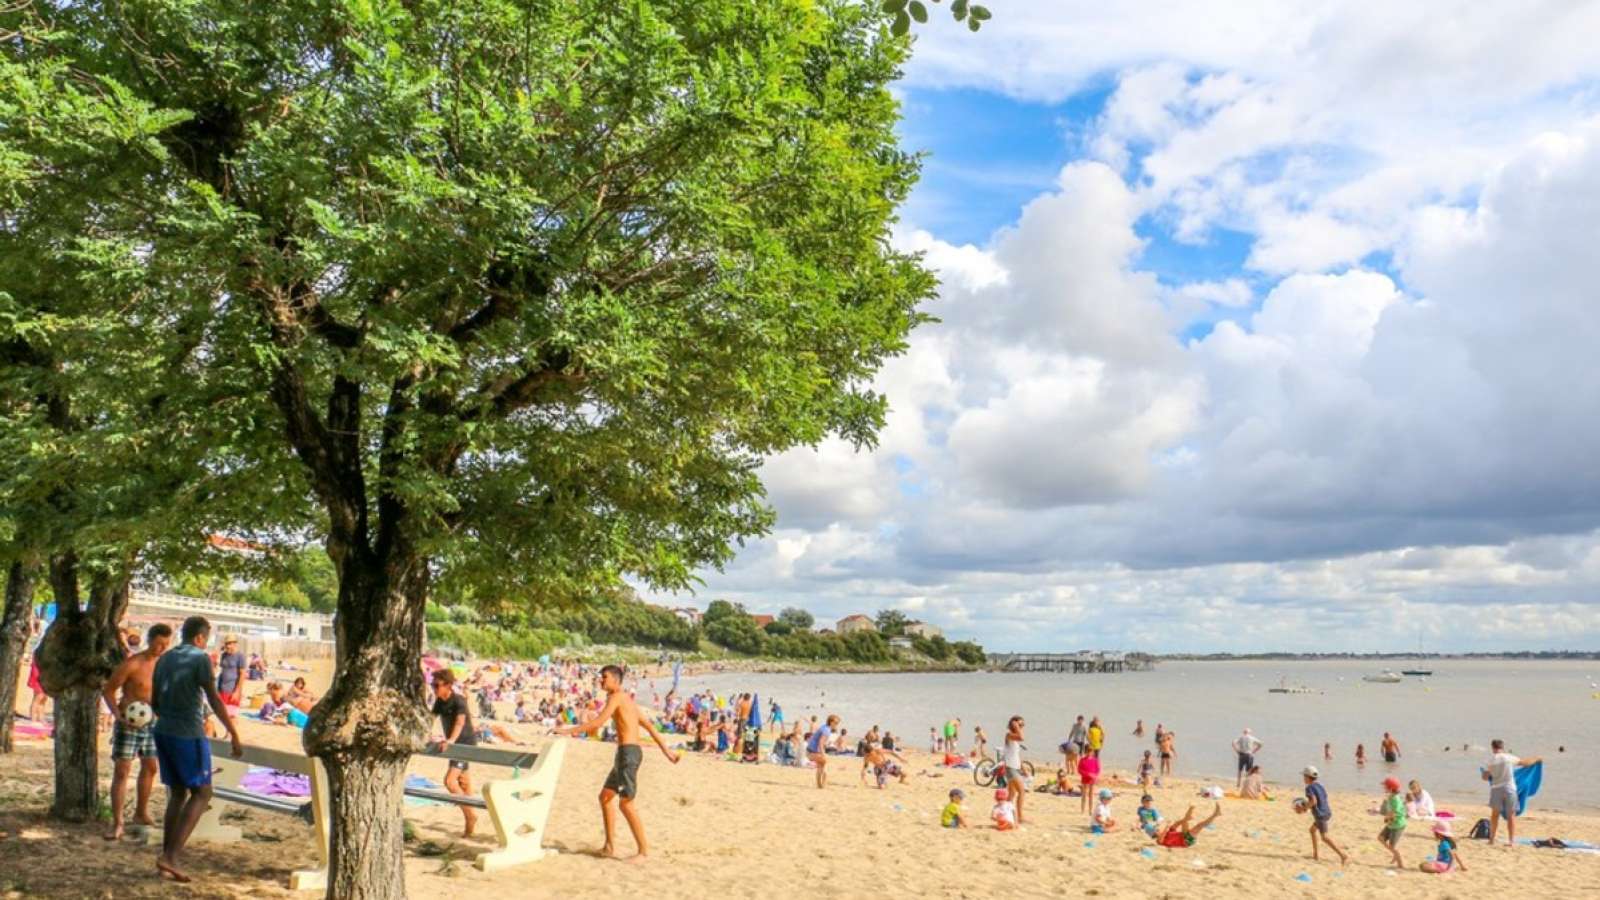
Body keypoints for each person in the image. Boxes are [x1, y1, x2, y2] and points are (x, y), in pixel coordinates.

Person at [554, 664, 681, 860]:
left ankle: (643, 852)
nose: (601, 680)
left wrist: (567, 731)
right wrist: (667, 752)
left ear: (615, 679)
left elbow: (598, 722)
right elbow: (649, 726)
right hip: (625, 754)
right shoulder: (626, 699)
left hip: (628, 754)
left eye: (604, 677)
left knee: (626, 804)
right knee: (605, 797)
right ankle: (609, 846)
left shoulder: (617, 697)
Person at [151, 616, 243, 883]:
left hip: (163, 730)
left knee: (178, 793)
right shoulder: (200, 659)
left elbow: (154, 700)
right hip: (188, 733)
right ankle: (171, 856)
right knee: (203, 792)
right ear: (200, 637)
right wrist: (233, 731)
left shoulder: (165, 658)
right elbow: (214, 699)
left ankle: (166, 858)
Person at [100, 623, 172, 841]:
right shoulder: (132, 664)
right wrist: (117, 714)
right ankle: (117, 822)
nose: (162, 648)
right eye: (158, 643)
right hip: (128, 722)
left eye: (166, 644)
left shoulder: (164, 665)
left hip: (153, 722)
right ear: (149, 640)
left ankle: (141, 812)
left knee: (150, 767)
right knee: (122, 770)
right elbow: (109, 690)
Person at [430, 669, 480, 837]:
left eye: (437, 685)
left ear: (448, 685)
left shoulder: (459, 700)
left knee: (450, 781)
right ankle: (470, 828)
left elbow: (460, 723)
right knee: (464, 783)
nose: (434, 688)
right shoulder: (439, 701)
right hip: (454, 744)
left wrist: (450, 740)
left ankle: (471, 815)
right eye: (432, 685)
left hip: (464, 744)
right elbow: (430, 719)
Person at [1483, 738, 1542, 847]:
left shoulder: (1490, 760)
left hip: (1496, 789)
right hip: (1509, 789)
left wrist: (1488, 774)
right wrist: (1537, 758)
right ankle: (1511, 841)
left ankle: (1491, 840)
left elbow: (1485, 777)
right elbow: (1525, 763)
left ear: (1492, 748)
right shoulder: (1508, 757)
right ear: (1502, 747)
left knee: (1494, 815)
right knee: (1511, 816)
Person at [1298, 765, 1348, 866]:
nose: (1303, 778)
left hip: (1320, 815)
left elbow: (1314, 801)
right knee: (1312, 830)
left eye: (1304, 776)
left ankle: (1342, 855)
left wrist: (1304, 808)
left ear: (1307, 777)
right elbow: (1323, 797)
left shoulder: (1309, 788)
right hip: (1327, 812)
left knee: (1324, 837)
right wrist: (1308, 805)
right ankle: (1315, 854)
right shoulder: (1320, 786)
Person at [1000, 715, 1029, 824]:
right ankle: (1020, 817)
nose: (1021, 727)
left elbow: (1016, 755)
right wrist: (1016, 726)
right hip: (1011, 768)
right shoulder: (1009, 735)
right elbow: (1022, 737)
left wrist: (1023, 769)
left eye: (1022, 725)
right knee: (1021, 791)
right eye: (1020, 724)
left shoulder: (1014, 739)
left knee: (1011, 794)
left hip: (1014, 767)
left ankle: (1005, 814)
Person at [1154, 802, 1223, 848]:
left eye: (1158, 830)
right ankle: (1192, 809)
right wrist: (1166, 827)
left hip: (1185, 836)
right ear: (1156, 834)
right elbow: (1161, 838)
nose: (1159, 830)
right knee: (1197, 825)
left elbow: (1177, 823)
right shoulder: (1159, 841)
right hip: (1186, 841)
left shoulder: (1169, 831)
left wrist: (1186, 819)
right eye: (1157, 830)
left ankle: (1215, 814)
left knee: (1199, 825)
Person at [1377, 776, 1407, 867]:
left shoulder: (1395, 799)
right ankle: (1395, 853)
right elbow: (1388, 811)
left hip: (1398, 825)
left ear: (1390, 788)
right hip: (1391, 823)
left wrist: (1388, 818)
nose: (1383, 788)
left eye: (1385, 786)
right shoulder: (1391, 796)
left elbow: (1395, 813)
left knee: (1392, 846)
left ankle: (1400, 863)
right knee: (1380, 838)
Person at [807, 714, 840, 788]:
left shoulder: (824, 726)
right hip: (812, 752)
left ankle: (820, 785)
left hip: (811, 751)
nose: (837, 725)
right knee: (825, 764)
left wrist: (823, 751)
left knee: (821, 765)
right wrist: (823, 754)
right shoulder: (826, 730)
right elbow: (820, 743)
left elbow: (820, 742)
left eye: (837, 723)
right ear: (831, 722)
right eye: (836, 723)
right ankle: (823, 784)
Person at [213, 636, 246, 707]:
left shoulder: (240, 656)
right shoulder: (224, 655)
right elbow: (217, 668)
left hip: (232, 691)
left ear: (234, 644)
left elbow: (242, 674)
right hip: (221, 690)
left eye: (229, 644)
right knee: (221, 712)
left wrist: (237, 692)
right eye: (226, 644)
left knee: (231, 713)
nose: (227, 646)